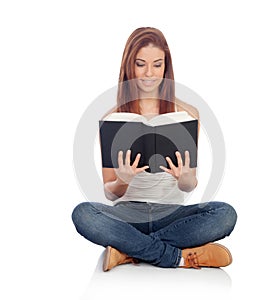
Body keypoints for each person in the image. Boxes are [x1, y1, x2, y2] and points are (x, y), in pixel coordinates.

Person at [72, 27, 237, 271]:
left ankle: (127, 251)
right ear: (129, 66)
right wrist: (122, 180)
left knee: (225, 213)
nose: (149, 73)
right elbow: (110, 193)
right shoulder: (112, 118)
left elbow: (189, 185)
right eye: (140, 64)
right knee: (83, 213)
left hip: (171, 215)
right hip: (128, 216)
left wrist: (186, 179)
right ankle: (176, 257)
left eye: (157, 65)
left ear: (165, 67)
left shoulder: (188, 114)